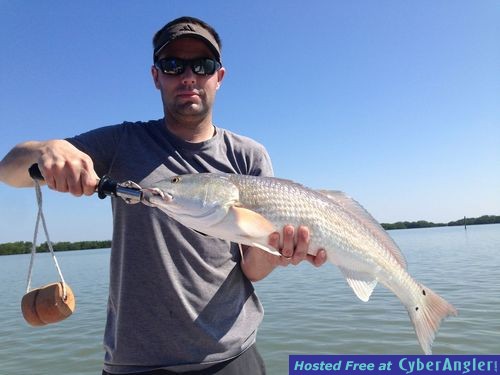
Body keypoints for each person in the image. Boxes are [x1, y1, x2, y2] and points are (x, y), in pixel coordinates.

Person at [0, 16, 326, 374]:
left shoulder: (248, 156)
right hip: (137, 363)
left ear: (219, 76)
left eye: (202, 66)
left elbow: (251, 266)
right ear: (156, 76)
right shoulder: (122, 142)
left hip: (233, 357)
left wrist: (278, 252)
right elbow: (9, 172)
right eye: (173, 65)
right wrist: (47, 149)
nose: (188, 77)